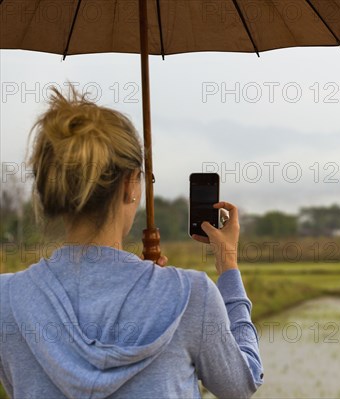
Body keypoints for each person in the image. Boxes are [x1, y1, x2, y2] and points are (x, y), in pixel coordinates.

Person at [0, 86, 263, 398]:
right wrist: (228, 264)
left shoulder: (8, 300)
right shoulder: (191, 295)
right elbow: (241, 383)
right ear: (130, 186)